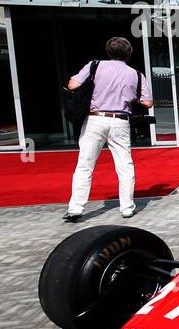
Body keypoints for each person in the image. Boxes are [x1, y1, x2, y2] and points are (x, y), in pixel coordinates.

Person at [64, 37, 153, 222]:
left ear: (108, 51)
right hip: (120, 120)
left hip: (95, 120)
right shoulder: (136, 74)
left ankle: (75, 208)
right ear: (129, 53)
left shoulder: (95, 65)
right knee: (124, 164)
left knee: (85, 164)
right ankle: (127, 207)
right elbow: (147, 102)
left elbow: (72, 84)